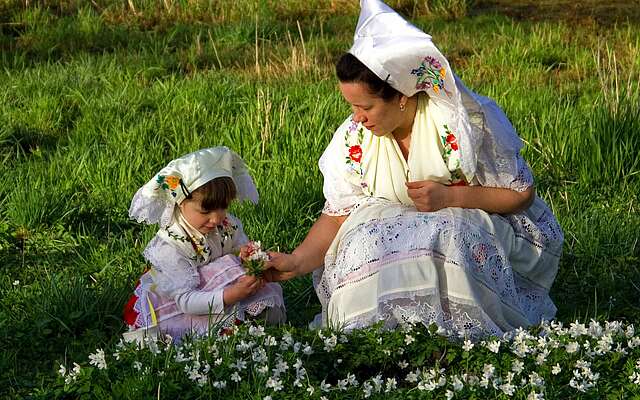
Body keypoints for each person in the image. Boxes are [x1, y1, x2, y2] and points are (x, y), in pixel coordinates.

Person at [265, 0, 563, 338]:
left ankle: (455, 339)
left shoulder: (461, 122)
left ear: (402, 96)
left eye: (366, 106)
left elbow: (521, 195)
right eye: (351, 106)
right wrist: (297, 260)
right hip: (393, 220)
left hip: (474, 211)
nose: (357, 117)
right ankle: (373, 339)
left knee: (448, 235)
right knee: (363, 239)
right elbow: (337, 214)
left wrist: (453, 196)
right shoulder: (355, 139)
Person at [123, 147, 285, 343]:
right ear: (181, 203)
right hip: (185, 304)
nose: (216, 218)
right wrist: (229, 296)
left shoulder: (227, 226)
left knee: (270, 305)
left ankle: (251, 326)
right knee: (190, 336)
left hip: (220, 290)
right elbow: (185, 301)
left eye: (223, 207)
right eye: (206, 210)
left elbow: (235, 247)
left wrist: (243, 255)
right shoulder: (171, 246)